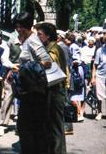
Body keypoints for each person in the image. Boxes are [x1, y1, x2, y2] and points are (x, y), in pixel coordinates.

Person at [12, 12, 52, 154]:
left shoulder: (33, 40)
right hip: (29, 90)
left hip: (35, 92)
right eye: (16, 26)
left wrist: (24, 68)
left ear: (26, 27)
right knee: (29, 128)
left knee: (29, 128)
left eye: (20, 26)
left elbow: (47, 61)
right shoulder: (27, 39)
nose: (17, 29)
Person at [35, 22, 67, 154]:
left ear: (48, 36)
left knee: (55, 128)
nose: (37, 37)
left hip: (54, 92)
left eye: (39, 34)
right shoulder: (51, 47)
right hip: (52, 91)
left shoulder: (52, 49)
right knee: (50, 126)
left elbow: (49, 65)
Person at [65, 32, 85, 121]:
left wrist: (71, 62)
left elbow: (77, 60)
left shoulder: (73, 47)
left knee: (75, 93)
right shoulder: (72, 46)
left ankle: (79, 113)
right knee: (75, 93)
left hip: (75, 71)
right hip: (75, 70)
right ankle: (78, 113)